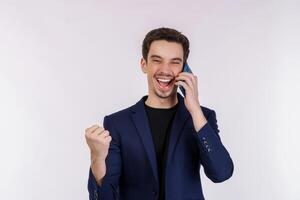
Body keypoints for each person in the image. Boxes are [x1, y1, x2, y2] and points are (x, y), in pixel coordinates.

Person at [85, 27, 234, 200]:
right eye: (157, 60)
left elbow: (221, 173)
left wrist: (195, 109)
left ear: (184, 68)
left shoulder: (202, 118)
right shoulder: (118, 123)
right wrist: (97, 157)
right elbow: (105, 197)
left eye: (175, 62)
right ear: (144, 65)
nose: (165, 69)